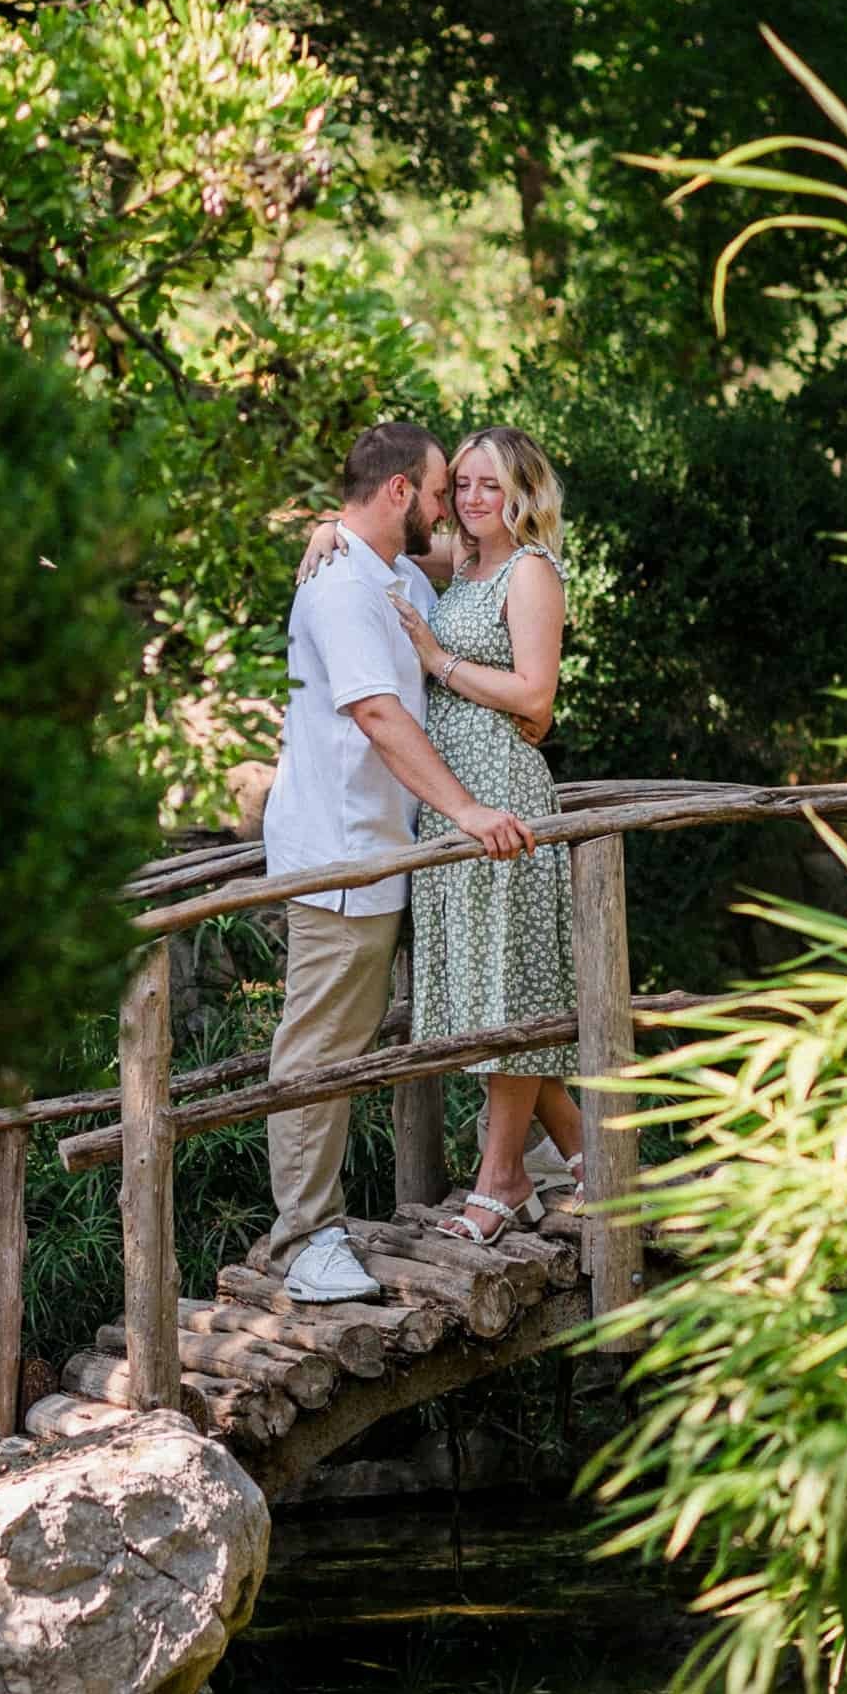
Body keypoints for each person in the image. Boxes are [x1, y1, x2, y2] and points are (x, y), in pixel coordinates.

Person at [262, 420, 534, 1306]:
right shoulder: (343, 588)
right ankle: (304, 1240)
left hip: (386, 854)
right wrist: (464, 809)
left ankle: (550, 1156)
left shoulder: (394, 572)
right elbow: (378, 714)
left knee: (478, 1004)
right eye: (437, 487)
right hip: (339, 859)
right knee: (319, 1048)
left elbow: (489, 568)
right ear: (397, 495)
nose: (450, 503)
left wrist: (328, 521)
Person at [400, 426, 583, 1243]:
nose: (473, 500)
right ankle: (595, 1161)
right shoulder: (463, 560)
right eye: (463, 484)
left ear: (521, 491)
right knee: (483, 992)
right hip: (452, 800)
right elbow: (386, 540)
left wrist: (437, 661)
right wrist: (328, 527)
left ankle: (502, 1179)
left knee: (507, 989)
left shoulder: (529, 570)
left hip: (501, 793)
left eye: (489, 485)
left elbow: (535, 697)